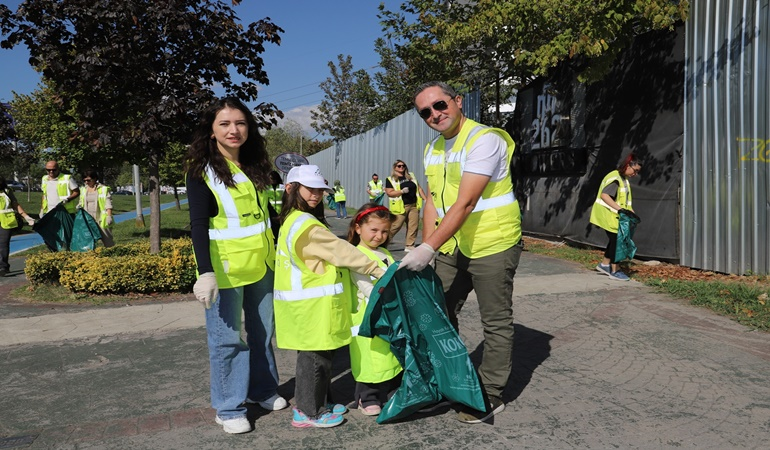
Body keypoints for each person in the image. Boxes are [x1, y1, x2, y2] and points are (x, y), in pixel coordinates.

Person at [401, 81, 523, 424]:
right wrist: (425, 248)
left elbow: (466, 202)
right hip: (453, 246)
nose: (434, 114)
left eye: (440, 105)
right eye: (425, 111)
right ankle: (447, 382)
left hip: (492, 244)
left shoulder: (485, 139)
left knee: (495, 322)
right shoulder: (433, 149)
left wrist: (429, 246)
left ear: (457, 101)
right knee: (437, 314)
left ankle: (490, 392)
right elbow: (431, 204)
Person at [185, 97, 287, 435]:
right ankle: (229, 407)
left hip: (261, 264)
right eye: (225, 124)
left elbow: (264, 217)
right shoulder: (203, 172)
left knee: (263, 332)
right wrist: (205, 271)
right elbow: (198, 224)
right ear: (211, 131)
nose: (234, 130)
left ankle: (262, 390)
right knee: (227, 339)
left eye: (240, 123)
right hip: (225, 270)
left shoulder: (256, 166)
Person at [273, 164, 385, 428]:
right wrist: (376, 268)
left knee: (314, 357)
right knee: (316, 359)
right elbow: (340, 251)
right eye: (309, 189)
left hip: (303, 304)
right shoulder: (306, 225)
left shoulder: (292, 219)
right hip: (312, 304)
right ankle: (309, 412)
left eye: (320, 190)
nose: (316, 194)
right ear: (291, 189)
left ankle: (315, 402)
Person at [346, 203, 403, 416]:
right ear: (358, 228)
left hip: (389, 313)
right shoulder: (354, 254)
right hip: (367, 317)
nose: (379, 236)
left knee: (389, 355)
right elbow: (366, 287)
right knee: (370, 359)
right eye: (374, 230)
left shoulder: (385, 253)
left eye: (384, 231)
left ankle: (389, 391)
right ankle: (366, 397)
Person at [589, 154, 643, 281]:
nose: (635, 174)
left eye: (637, 172)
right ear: (628, 165)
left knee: (614, 241)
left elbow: (623, 200)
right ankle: (615, 270)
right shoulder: (615, 178)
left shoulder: (622, 179)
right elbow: (605, 196)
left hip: (614, 215)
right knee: (618, 242)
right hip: (609, 214)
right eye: (635, 171)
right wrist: (621, 210)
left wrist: (630, 211)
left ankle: (604, 265)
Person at [385, 160, 426, 252]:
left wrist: (426, 199)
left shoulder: (411, 176)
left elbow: (419, 188)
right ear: (395, 167)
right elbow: (389, 193)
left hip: (414, 205)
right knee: (395, 225)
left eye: (403, 166)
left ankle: (409, 245)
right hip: (401, 206)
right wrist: (401, 191)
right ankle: (382, 242)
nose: (401, 167)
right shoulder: (391, 179)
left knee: (413, 226)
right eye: (399, 166)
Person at [0, 177, 35, 277]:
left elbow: (15, 204)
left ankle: (3, 267)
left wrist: (26, 216)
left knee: (3, 245)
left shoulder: (7, 191)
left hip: (6, 222)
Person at [79, 169, 115, 248]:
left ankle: (112, 255)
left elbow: (108, 204)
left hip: (101, 218)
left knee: (107, 241)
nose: (86, 182)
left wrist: (109, 216)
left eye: (88, 180)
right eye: (84, 180)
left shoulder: (103, 189)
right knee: (88, 241)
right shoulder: (83, 189)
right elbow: (81, 202)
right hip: (88, 218)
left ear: (95, 178)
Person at [266, 170, 284, 239]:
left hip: (281, 213)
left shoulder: (282, 187)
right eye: (270, 178)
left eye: (273, 178)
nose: (272, 180)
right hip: (270, 214)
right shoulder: (266, 188)